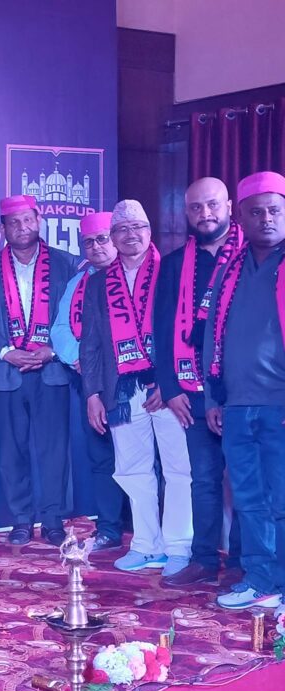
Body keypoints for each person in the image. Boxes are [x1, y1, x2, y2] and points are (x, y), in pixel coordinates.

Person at [82, 200, 192, 577]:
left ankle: (179, 547)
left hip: (168, 389)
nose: (131, 235)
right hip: (121, 389)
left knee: (179, 468)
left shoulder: (170, 270)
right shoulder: (98, 282)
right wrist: (92, 394)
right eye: (122, 230)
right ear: (112, 238)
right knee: (131, 468)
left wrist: (169, 381)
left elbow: (183, 331)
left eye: (138, 227)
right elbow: (90, 343)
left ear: (149, 231)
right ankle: (146, 544)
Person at [155, 177, 242, 587]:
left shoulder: (250, 256)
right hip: (191, 391)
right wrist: (170, 388)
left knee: (243, 482)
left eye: (212, 205)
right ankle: (204, 560)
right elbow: (161, 327)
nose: (205, 214)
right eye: (196, 207)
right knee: (203, 479)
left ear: (229, 206)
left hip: (239, 391)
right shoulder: (174, 263)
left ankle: (241, 563)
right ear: (186, 212)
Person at [206, 172, 285, 610]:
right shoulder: (230, 270)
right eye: (257, 212)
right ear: (241, 217)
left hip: (279, 405)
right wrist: (213, 397)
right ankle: (261, 580)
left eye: (275, 210)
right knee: (250, 500)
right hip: (236, 406)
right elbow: (212, 336)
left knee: (282, 501)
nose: (267, 219)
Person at [0, 195, 75, 546]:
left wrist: (52, 351)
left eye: (27, 220)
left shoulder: (66, 265)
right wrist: (7, 352)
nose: (22, 228)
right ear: (3, 228)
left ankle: (52, 519)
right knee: (11, 451)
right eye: (14, 223)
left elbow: (75, 317)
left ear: (38, 220)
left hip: (51, 370)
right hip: (5, 372)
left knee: (54, 449)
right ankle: (20, 519)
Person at [51, 212, 127, 551]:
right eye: (89, 242)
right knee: (101, 456)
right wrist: (80, 359)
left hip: (133, 382)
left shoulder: (138, 275)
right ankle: (109, 528)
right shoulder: (79, 282)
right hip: (92, 382)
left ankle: (144, 528)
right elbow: (60, 329)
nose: (96, 247)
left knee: (141, 459)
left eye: (102, 239)